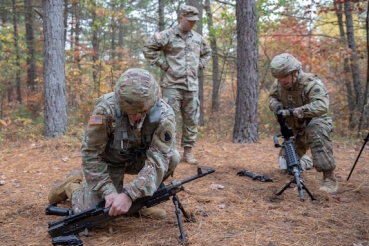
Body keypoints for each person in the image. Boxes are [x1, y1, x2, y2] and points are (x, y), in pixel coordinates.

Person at [48, 68, 180, 219]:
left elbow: (159, 161)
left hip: (140, 161)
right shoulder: (105, 109)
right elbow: (91, 153)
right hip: (111, 161)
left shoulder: (164, 115)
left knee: (172, 158)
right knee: (95, 214)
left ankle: (138, 204)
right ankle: (70, 186)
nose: (135, 116)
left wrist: (131, 195)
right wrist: (108, 191)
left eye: (140, 112)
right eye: (129, 112)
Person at [143, 5, 212, 165]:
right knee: (168, 119)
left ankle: (188, 151)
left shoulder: (198, 38)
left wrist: (200, 65)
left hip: (192, 87)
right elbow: (148, 48)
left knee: (191, 119)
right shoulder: (167, 35)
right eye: (190, 21)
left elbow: (208, 53)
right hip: (172, 86)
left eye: (195, 21)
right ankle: (169, 151)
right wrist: (164, 65)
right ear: (181, 18)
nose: (193, 24)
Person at [268, 53, 339, 195]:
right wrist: (279, 108)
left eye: (284, 76)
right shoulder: (278, 85)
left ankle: (329, 179)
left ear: (294, 72)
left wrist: (295, 111)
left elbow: (322, 106)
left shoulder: (311, 83)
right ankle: (309, 162)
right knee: (287, 167)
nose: (281, 80)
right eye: (278, 77)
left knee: (315, 130)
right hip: (295, 128)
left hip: (315, 123)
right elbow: (272, 98)